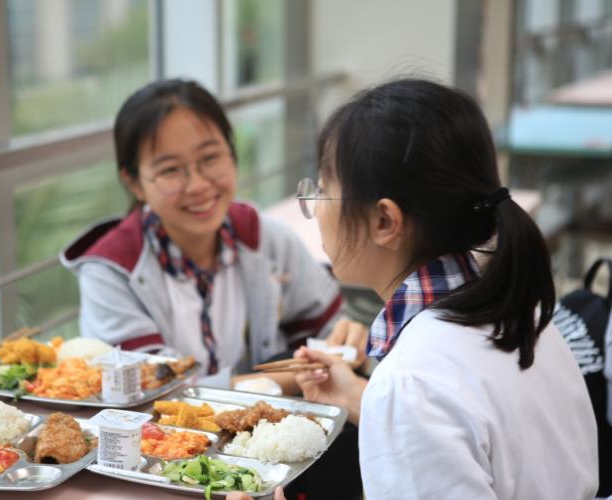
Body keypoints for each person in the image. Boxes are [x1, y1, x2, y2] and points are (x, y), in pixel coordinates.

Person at [231, 78, 598, 500]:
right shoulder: (527, 317)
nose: (315, 209)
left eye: (323, 191)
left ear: (384, 221)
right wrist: (361, 398)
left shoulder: (412, 381)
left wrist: (388, 401)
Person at [61, 78, 348, 386]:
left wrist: (345, 337)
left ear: (232, 154)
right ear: (134, 183)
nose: (197, 185)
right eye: (170, 169)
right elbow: (149, 391)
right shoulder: (112, 270)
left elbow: (328, 333)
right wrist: (278, 382)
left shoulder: (266, 239)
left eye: (210, 158)